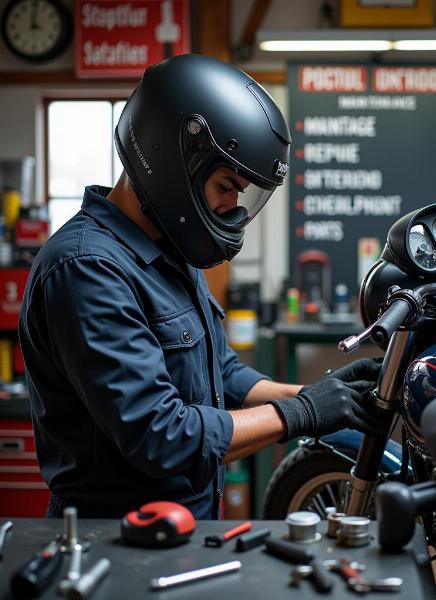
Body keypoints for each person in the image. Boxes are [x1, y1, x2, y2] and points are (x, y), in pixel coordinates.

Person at [18, 55, 382, 520]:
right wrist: (302, 414)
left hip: (182, 528)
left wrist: (319, 396)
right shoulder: (87, 269)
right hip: (115, 542)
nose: (231, 208)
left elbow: (221, 373)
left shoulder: (166, 248)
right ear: (171, 162)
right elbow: (160, 436)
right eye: (225, 186)